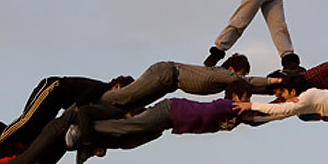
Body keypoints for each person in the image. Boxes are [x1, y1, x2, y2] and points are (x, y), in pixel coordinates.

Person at [66, 79, 260, 150]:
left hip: (168, 122)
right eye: (246, 97)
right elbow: (257, 110)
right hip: (170, 111)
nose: (248, 101)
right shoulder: (227, 106)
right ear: (235, 97)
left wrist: (280, 106)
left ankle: (94, 143)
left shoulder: (235, 117)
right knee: (131, 126)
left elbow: (259, 117)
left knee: (134, 139)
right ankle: (82, 128)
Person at [0, 75, 133, 158]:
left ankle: (8, 155)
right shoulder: (101, 88)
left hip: (57, 104)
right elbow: (80, 104)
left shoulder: (102, 103)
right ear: (117, 86)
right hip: (53, 87)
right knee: (29, 119)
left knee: (36, 132)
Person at [99, 54, 275, 110]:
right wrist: (272, 81)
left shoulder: (223, 82)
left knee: (133, 105)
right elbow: (244, 81)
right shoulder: (223, 74)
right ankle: (97, 96)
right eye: (240, 74)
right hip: (166, 73)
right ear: (231, 69)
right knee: (126, 96)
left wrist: (270, 90)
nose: (240, 78)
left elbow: (246, 86)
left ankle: (98, 111)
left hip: (168, 83)